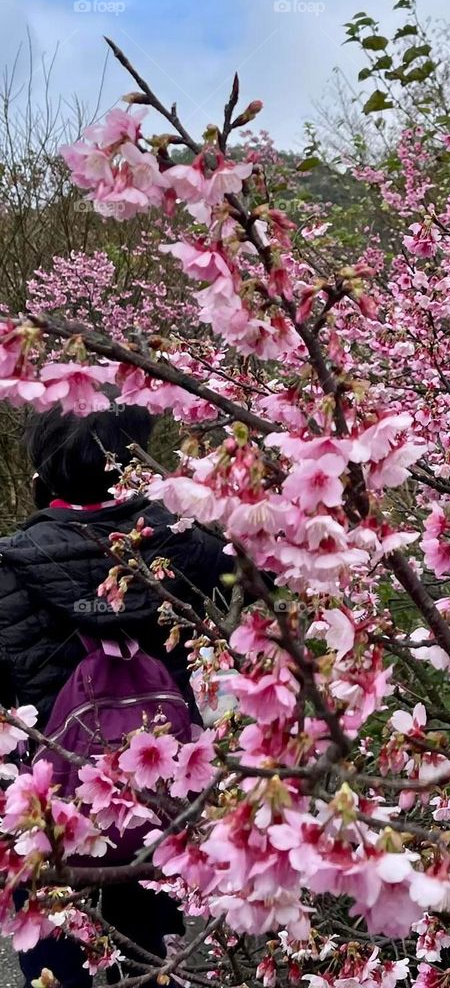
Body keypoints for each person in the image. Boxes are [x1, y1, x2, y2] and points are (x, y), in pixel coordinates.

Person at [0, 399, 231, 988]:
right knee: (154, 946)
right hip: (159, 783)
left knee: (52, 950)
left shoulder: (7, 567)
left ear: (40, 473)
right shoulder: (190, 545)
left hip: (45, 799)